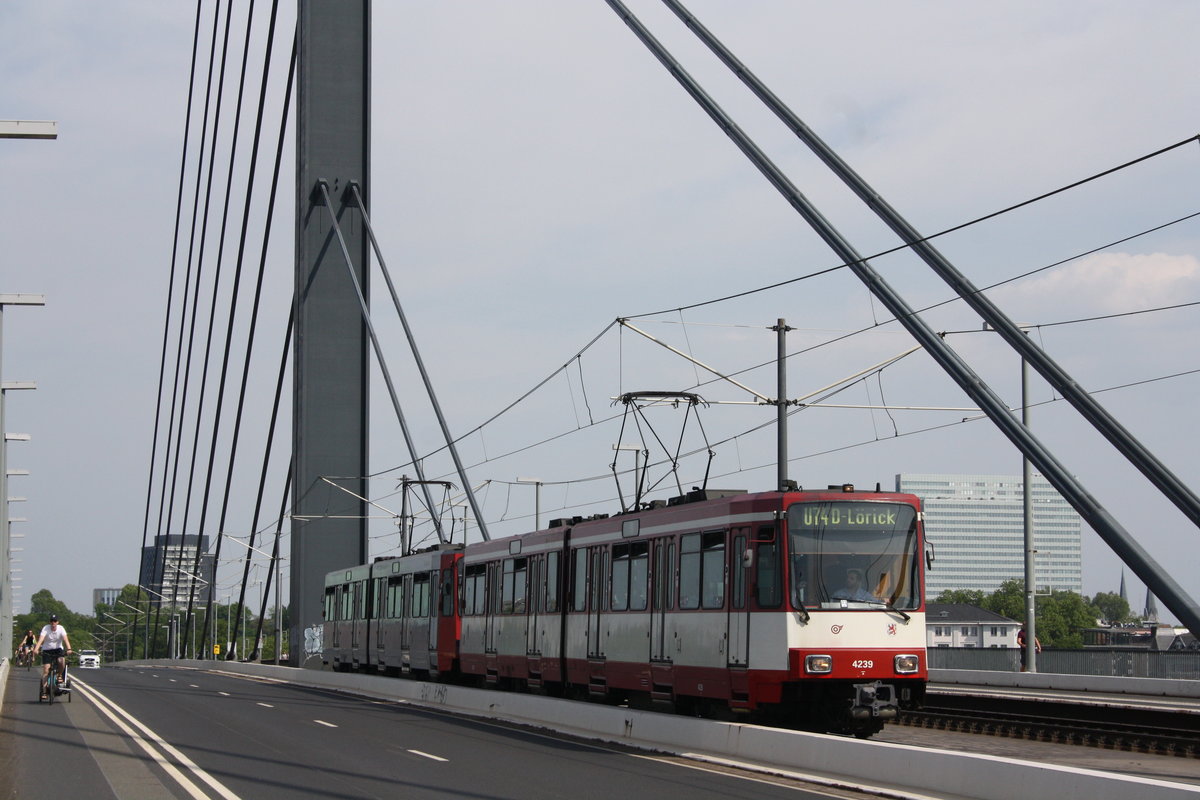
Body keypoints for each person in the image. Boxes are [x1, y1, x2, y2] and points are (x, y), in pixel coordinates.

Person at [34, 613, 72, 699]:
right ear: (49, 622)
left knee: (61, 661)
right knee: (46, 670)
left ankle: (59, 675)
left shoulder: (61, 628)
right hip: (47, 650)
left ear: (57, 622)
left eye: (55, 621)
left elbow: (65, 639)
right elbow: (41, 639)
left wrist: (69, 649)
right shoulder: (46, 628)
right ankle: (44, 691)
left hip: (58, 649)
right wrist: (36, 649)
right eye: (51, 621)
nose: (53, 623)